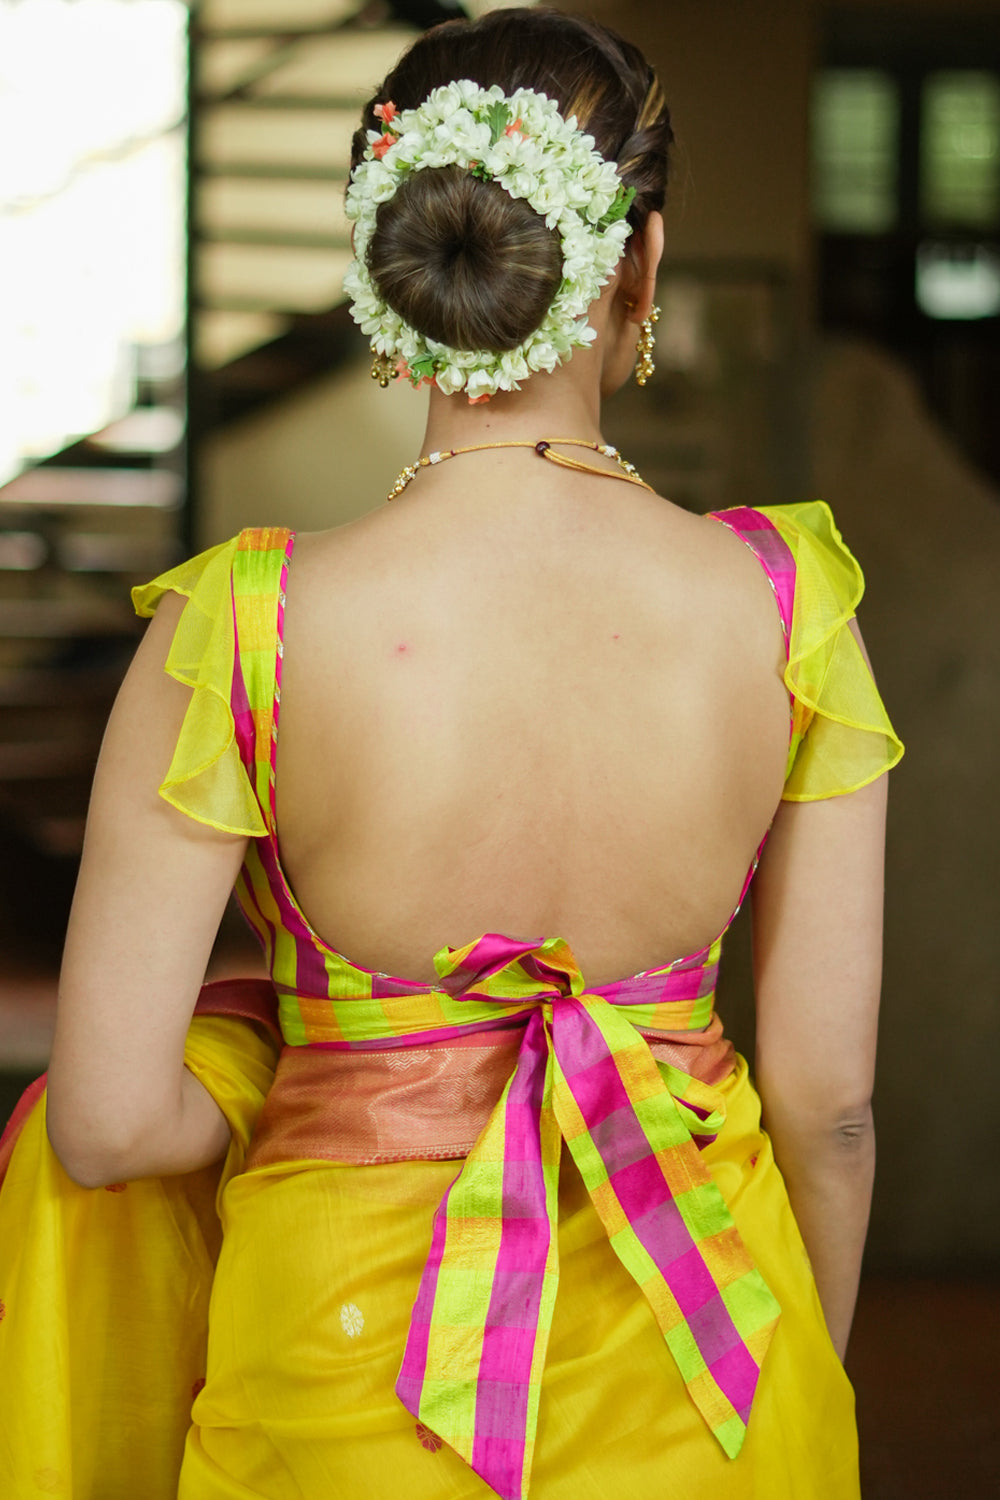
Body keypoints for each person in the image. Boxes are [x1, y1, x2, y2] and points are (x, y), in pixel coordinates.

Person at [0, 8, 902, 1499]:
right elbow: (834, 1108)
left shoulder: (244, 625)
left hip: (338, 1374)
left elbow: (101, 1125)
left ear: (393, 270)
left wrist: (285, 1073)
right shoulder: (790, 608)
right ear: (643, 265)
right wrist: (802, 1363)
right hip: (713, 1363)